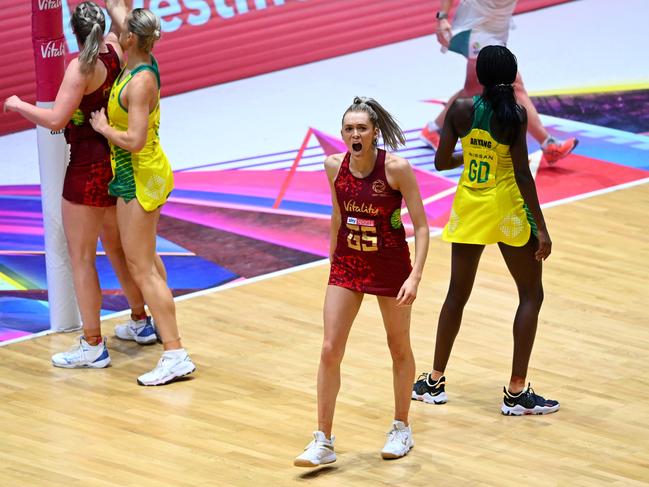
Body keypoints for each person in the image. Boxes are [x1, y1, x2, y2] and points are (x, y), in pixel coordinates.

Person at [3, 1, 158, 370]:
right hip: (115, 165)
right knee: (118, 249)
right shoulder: (117, 50)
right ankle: (140, 320)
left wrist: (19, 104)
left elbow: (56, 117)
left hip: (86, 169)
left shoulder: (81, 67)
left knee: (81, 258)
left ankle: (92, 344)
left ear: (73, 32)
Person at [412, 45, 559, 416]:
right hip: (507, 207)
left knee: (456, 294)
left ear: (480, 76)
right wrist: (540, 227)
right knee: (530, 295)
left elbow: (442, 161)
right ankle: (515, 392)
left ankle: (433, 381)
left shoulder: (460, 110)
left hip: (470, 207)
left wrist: (473, 153)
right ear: (511, 76)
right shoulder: (515, 113)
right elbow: (523, 173)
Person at [294, 97, 429, 467]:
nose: (355, 134)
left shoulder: (397, 169)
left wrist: (415, 276)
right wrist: (333, 261)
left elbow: (421, 225)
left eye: (362, 128)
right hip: (348, 265)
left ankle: (402, 426)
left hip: (391, 267)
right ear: (342, 133)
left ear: (374, 133)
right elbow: (337, 214)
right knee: (329, 349)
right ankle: (323, 440)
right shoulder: (333, 166)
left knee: (398, 347)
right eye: (349, 128)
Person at [89, 7, 195, 386]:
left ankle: (175, 352)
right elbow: (119, 10)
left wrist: (103, 127)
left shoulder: (140, 82)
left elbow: (134, 140)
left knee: (142, 268)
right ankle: (159, 333)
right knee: (146, 260)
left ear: (130, 39)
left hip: (140, 176)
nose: (115, 33)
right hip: (134, 175)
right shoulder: (140, 57)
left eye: (121, 32)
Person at [420, 0, 578, 165]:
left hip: (498, 27)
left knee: (473, 89)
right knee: (513, 85)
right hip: (477, 29)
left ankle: (433, 129)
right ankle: (549, 145)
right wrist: (442, 17)